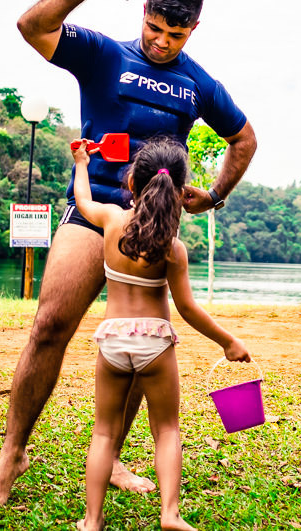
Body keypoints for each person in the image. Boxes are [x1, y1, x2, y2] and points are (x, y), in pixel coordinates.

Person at [0, 0, 257, 511]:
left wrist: (214, 195)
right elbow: (32, 25)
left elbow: (243, 138)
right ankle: (11, 456)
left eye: (175, 34)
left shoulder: (198, 84)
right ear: (144, 11)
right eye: (154, 27)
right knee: (49, 325)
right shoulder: (103, 55)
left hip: (152, 225)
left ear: (193, 29)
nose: (161, 41)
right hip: (93, 211)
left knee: (140, 339)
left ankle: (116, 456)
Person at [70, 136, 250, 531]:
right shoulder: (173, 247)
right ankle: (170, 514)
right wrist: (229, 342)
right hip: (155, 342)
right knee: (166, 430)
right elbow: (187, 309)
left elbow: (82, 201)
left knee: (103, 433)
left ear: (133, 183)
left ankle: (92, 520)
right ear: (181, 193)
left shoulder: (112, 221)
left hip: (113, 340)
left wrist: (82, 162)